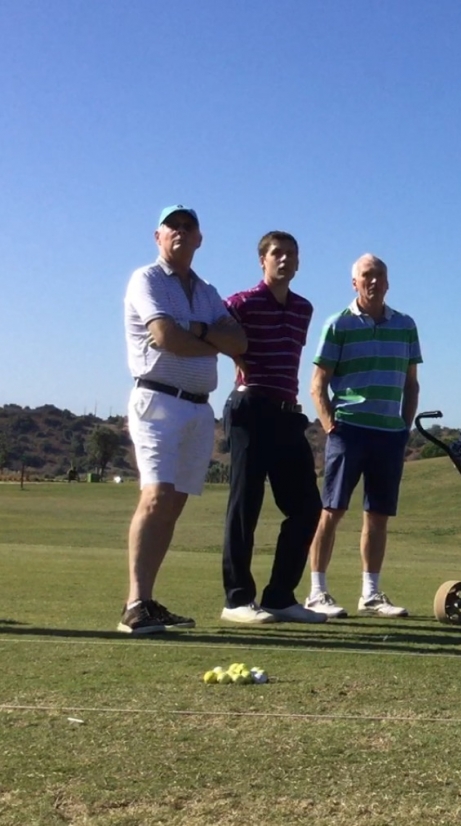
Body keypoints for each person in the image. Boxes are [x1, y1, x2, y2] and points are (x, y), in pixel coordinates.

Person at [119, 205, 247, 634]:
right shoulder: (147, 279)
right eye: (171, 226)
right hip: (158, 400)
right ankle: (135, 604)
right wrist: (209, 340)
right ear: (158, 236)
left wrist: (196, 331)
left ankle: (147, 601)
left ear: (199, 239)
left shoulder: (208, 292)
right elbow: (164, 336)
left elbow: (238, 341)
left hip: (198, 407)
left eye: (187, 227)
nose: (180, 231)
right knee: (156, 497)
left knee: (173, 504)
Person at [303, 254, 422, 619]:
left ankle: (370, 594)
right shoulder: (338, 324)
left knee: (378, 515)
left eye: (380, 275)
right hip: (349, 430)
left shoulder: (405, 325)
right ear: (354, 283)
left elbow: (411, 384)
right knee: (332, 510)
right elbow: (318, 384)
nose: (374, 281)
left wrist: (403, 428)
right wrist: (330, 426)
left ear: (388, 282)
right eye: (367, 275)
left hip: (389, 434)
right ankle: (317, 592)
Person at [219, 231, 327, 625]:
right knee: (245, 505)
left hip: (286, 414)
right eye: (276, 253)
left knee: (306, 507)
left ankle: (280, 596)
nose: (284, 259)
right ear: (262, 260)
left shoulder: (303, 308)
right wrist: (234, 353)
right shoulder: (241, 302)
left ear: (298, 263)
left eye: (291, 254)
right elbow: (214, 331)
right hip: (250, 407)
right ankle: (237, 600)